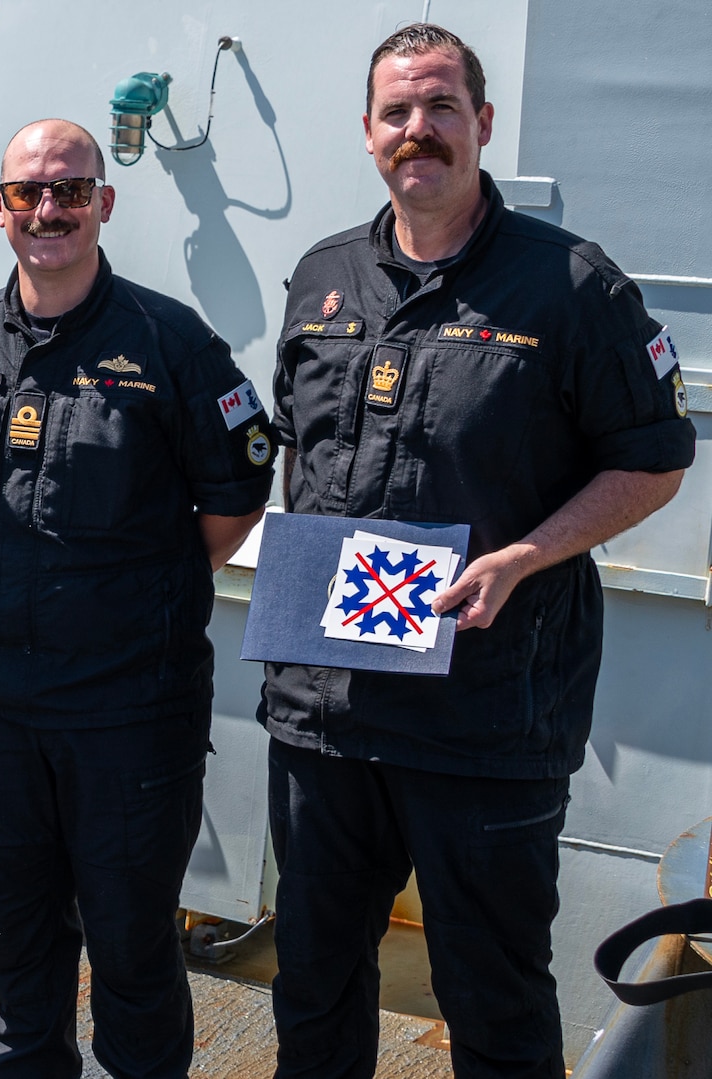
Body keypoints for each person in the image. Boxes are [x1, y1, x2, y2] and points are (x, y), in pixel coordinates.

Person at [264, 24, 694, 1078]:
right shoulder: (322, 275)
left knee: (492, 997)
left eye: (441, 107)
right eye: (398, 112)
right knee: (313, 983)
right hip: (326, 715)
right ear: (369, 134)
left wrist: (529, 553)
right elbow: (301, 456)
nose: (420, 131)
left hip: (488, 715)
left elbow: (655, 459)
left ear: (483, 124)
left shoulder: (573, 288)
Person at [0, 119, 276, 1078]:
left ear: (103, 204)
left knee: (130, 942)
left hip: (130, 709)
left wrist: (135, 591)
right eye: (29, 193)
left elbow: (236, 496)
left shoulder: (170, 341)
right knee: (14, 937)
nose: (49, 210)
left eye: (71, 191)